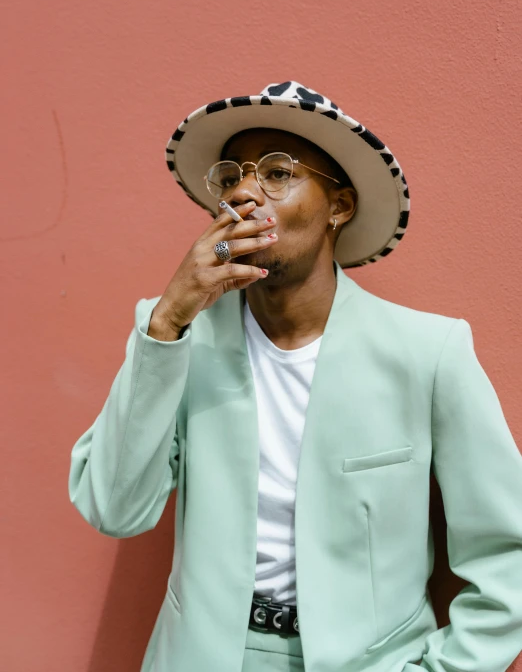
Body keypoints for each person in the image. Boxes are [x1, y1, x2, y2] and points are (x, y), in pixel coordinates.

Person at [68, 81, 522, 672]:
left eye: (278, 172)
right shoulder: (180, 340)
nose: (246, 194)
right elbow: (113, 509)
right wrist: (169, 319)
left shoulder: (428, 352)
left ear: (339, 205)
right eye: (232, 178)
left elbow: (509, 552)